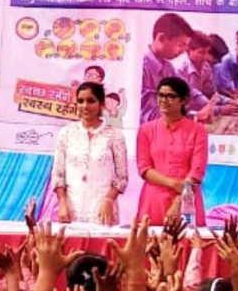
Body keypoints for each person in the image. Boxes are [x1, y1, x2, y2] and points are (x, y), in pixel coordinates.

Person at [51, 82, 129, 225]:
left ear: (102, 104)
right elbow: (58, 175)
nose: (85, 106)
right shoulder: (66, 133)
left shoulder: (114, 135)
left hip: (103, 209)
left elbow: (122, 177)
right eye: (80, 101)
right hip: (70, 208)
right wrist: (62, 203)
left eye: (91, 101)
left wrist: (109, 200)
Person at [137, 76, 208, 225]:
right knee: (151, 245)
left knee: (187, 245)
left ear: (184, 100)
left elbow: (197, 171)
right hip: (153, 200)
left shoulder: (198, 131)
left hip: (187, 198)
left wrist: (178, 201)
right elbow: (144, 169)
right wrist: (173, 184)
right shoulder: (146, 130)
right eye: (161, 95)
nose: (164, 100)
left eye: (170, 96)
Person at [140, 13, 194, 123]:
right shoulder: (140, 68)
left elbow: (187, 90)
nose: (183, 51)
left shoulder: (168, 67)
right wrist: (190, 116)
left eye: (185, 46)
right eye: (180, 45)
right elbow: (147, 114)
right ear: (161, 38)